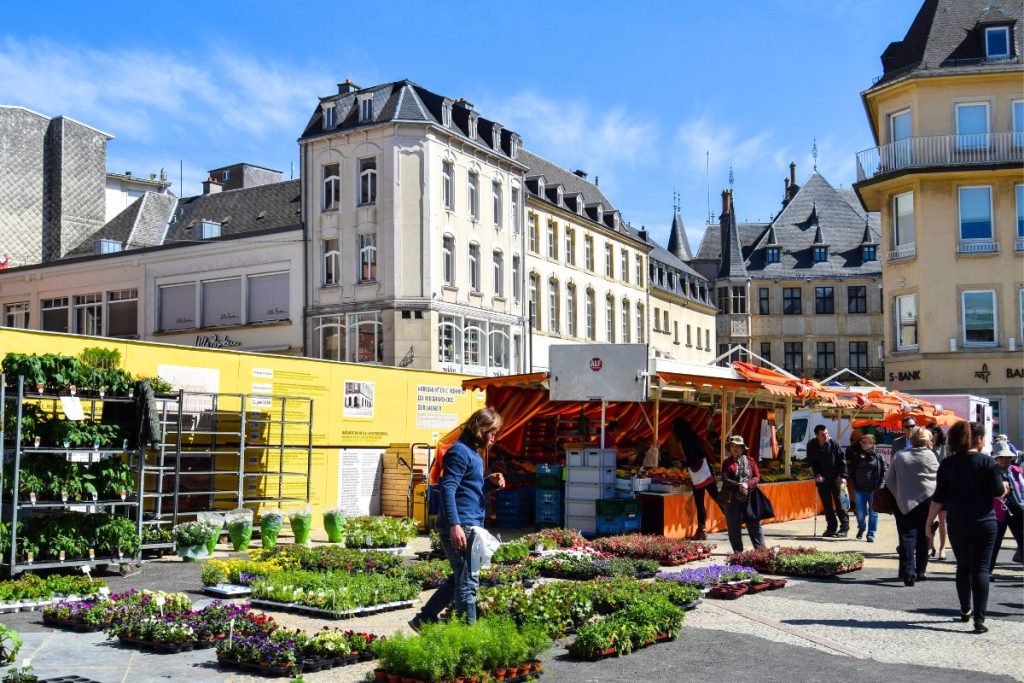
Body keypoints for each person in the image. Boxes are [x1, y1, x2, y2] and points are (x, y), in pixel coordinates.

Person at [410, 408, 505, 629]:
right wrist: (455, 525)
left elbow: (467, 490)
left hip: (468, 523)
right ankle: (466, 636)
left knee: (460, 578)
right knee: (468, 583)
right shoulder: (459, 452)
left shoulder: (472, 454)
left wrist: (489, 483)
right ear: (480, 429)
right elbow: (448, 488)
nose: (495, 437)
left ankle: (424, 619)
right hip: (462, 525)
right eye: (492, 432)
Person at [925, 420, 1008, 634]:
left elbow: (938, 497)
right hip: (984, 521)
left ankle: (964, 610)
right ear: (978, 439)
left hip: (957, 521)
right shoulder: (987, 462)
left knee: (963, 566)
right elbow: (998, 492)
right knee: (981, 568)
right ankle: (979, 619)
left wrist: (929, 522)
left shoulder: (947, 464)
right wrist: (1005, 488)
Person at [884, 427, 939, 586]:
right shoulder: (931, 455)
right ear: (927, 441)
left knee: (907, 537)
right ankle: (921, 571)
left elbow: (889, 479)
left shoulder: (900, 456)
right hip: (928, 500)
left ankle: (908, 574)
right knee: (924, 535)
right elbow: (938, 477)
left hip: (904, 500)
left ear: (912, 440)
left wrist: (899, 493)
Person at [672, 418, 718, 540]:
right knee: (714, 497)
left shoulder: (686, 439)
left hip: (700, 471)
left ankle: (702, 530)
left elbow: (692, 458)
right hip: (703, 469)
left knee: (701, 501)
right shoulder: (693, 437)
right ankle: (702, 530)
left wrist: (683, 464)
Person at [719, 435, 766, 552]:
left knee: (754, 524)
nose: (734, 448)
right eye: (732, 446)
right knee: (733, 527)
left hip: (749, 497)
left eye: (737, 446)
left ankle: (761, 552)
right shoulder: (727, 463)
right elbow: (725, 478)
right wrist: (739, 485)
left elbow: (756, 477)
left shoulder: (750, 461)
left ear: (742, 448)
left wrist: (747, 484)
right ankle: (738, 553)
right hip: (731, 499)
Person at [806, 425, 850, 538]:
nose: (826, 436)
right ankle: (831, 528)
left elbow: (842, 460)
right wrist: (817, 474)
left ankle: (844, 528)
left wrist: (843, 476)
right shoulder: (811, 445)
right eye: (823, 435)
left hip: (835, 477)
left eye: (826, 433)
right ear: (817, 436)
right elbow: (812, 461)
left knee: (840, 503)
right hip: (822, 479)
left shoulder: (833, 443)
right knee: (827, 505)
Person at [990, 437, 1024, 572]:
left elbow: (1022, 489)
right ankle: (988, 571)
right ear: (996, 458)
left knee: (1022, 540)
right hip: (998, 511)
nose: (1005, 460)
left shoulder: (1016, 470)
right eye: (1002, 457)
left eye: (1008, 457)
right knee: (994, 543)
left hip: (1017, 509)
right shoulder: (990, 472)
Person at [849, 433, 886, 542]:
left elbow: (883, 472)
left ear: (873, 444)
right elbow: (851, 470)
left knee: (873, 512)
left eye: (867, 442)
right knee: (860, 513)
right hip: (859, 489)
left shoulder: (878, 456)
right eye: (863, 442)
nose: (864, 444)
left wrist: (880, 485)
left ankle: (871, 534)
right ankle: (861, 528)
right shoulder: (857, 456)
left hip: (873, 489)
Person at [926, 424, 950, 560]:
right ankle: (930, 545)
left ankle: (943, 547)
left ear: (939, 433)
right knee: (929, 518)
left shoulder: (945, 447)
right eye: (930, 432)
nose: (933, 435)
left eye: (935, 432)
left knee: (942, 519)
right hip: (928, 486)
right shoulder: (924, 447)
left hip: (943, 486)